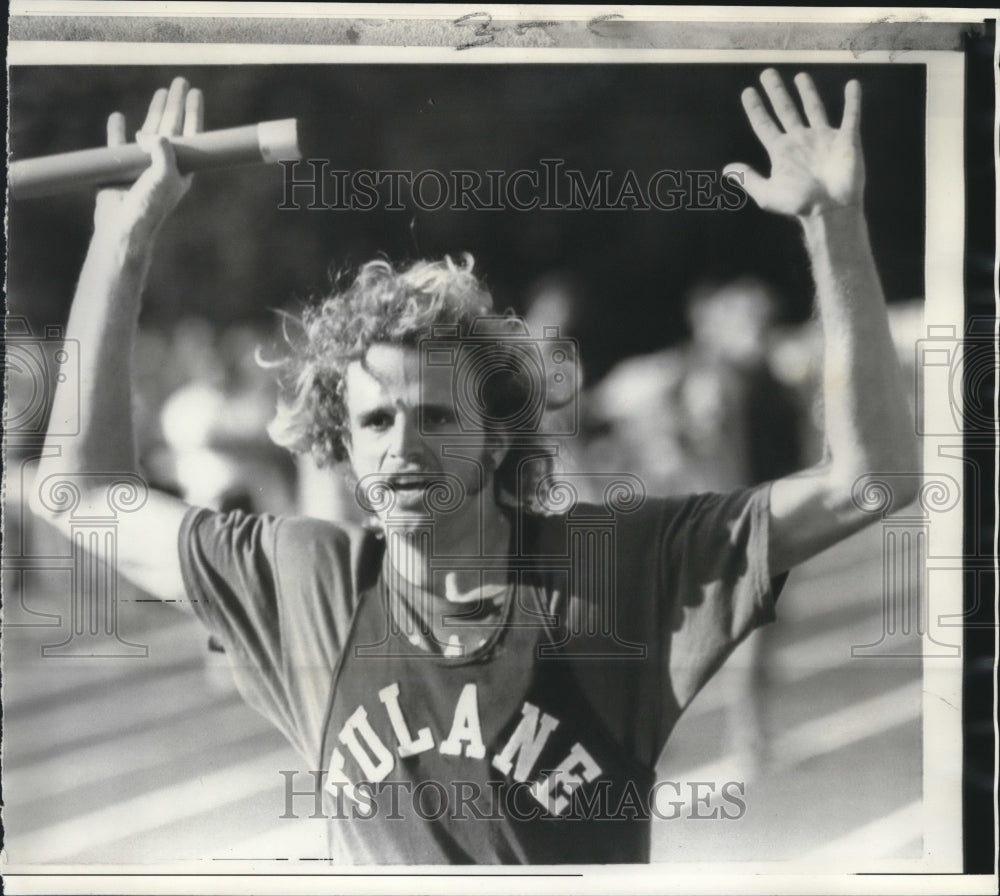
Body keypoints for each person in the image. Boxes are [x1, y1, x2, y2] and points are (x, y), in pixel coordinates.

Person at [32, 70, 919, 864]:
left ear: (498, 438)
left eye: (435, 416)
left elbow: (871, 478)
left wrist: (832, 227)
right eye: (375, 420)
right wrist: (124, 241)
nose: (401, 445)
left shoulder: (613, 574)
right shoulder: (305, 585)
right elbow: (79, 491)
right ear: (343, 447)